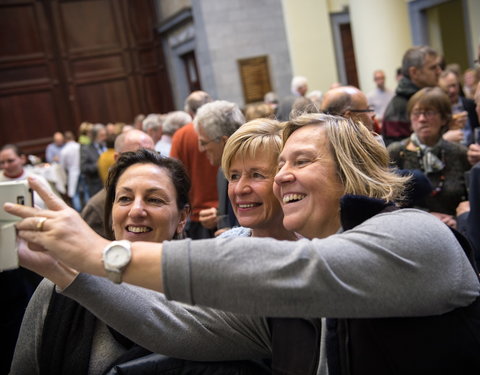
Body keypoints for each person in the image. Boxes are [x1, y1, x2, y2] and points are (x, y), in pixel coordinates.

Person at [7, 114, 480, 374]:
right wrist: (67, 271)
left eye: (300, 160)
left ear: (353, 171)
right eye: (237, 175)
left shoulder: (417, 235)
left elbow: (296, 269)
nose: (281, 177)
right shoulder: (287, 297)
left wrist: (97, 253)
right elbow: (176, 326)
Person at [10, 149, 192, 375]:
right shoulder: (59, 284)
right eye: (124, 198)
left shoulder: (201, 293)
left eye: (154, 199)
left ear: (182, 218)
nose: (136, 210)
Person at [388, 87, 471, 227]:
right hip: (412, 230)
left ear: (444, 118)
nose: (422, 119)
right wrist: (428, 217)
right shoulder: (396, 152)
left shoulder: (459, 153)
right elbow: (389, 202)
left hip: (455, 230)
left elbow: (470, 200)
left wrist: (458, 220)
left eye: (429, 113)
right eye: (416, 113)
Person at [81, 129, 154, 238]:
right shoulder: (98, 207)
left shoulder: (163, 194)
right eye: (137, 156)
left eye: (152, 155)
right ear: (117, 159)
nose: (147, 163)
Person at [170, 91, 218, 239]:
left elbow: (173, 176)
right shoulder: (223, 131)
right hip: (227, 210)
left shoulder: (181, 135)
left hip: (197, 215)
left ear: (189, 113)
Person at [194, 100, 245, 235]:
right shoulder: (222, 171)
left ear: (224, 141)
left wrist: (235, 235)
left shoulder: (254, 172)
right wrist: (217, 216)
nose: (201, 149)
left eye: (204, 143)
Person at [383, 46, 442, 145]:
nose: (439, 71)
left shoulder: (430, 97)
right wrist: (442, 141)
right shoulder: (399, 106)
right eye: (433, 68)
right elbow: (398, 152)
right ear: (414, 72)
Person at [439, 69, 480, 145]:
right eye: (448, 87)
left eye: (454, 85)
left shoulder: (471, 104)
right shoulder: (439, 110)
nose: (452, 90)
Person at [80, 123, 107, 197]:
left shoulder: (106, 145)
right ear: (95, 136)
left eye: (105, 135)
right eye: (102, 135)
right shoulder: (86, 149)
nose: (104, 138)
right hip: (96, 186)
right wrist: (99, 165)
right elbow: (83, 168)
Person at [59, 131, 82, 211]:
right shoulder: (79, 146)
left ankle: (79, 212)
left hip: (72, 173)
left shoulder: (64, 150)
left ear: (65, 139)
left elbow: (62, 166)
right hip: (82, 171)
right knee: (85, 192)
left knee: (75, 194)